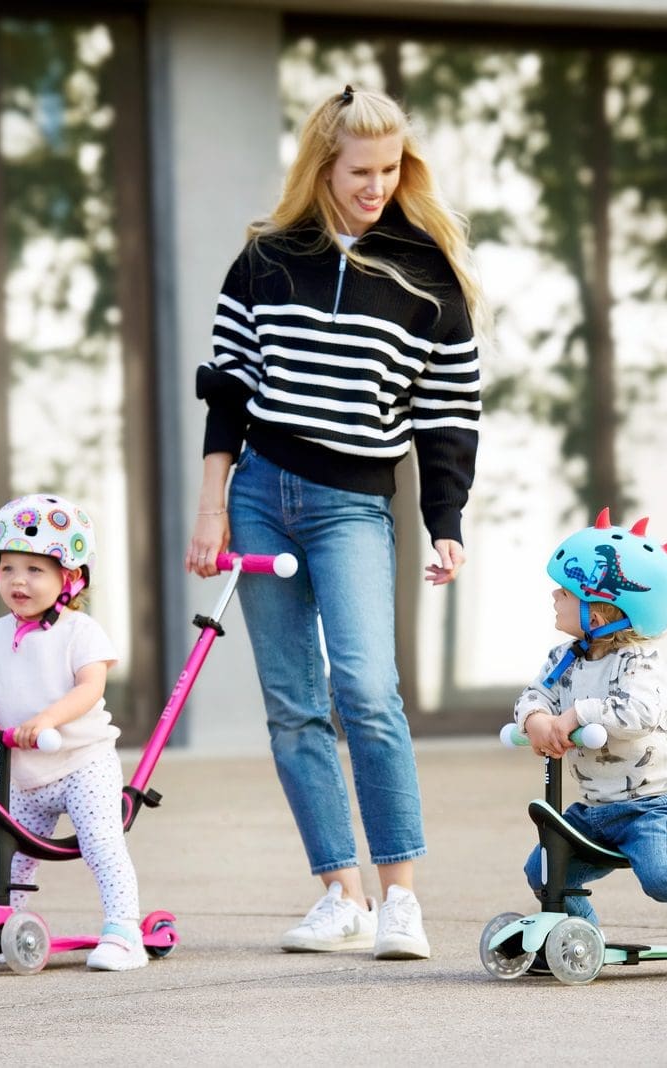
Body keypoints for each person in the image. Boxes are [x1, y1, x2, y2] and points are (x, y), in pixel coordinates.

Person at [184, 85, 487, 961]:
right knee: (291, 705)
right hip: (259, 494)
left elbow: (449, 410)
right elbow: (228, 391)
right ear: (323, 166)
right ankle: (339, 894)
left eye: (392, 169)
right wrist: (212, 511)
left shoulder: (426, 272)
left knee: (365, 691)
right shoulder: (264, 260)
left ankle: (400, 900)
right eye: (361, 170)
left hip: (354, 502)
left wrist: (445, 519)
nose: (378, 186)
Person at [515, 509, 667, 982]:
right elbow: (534, 694)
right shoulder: (562, 659)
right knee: (546, 871)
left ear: (602, 609)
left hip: (660, 804)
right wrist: (536, 718)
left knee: (660, 872)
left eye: (565, 591)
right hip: (599, 807)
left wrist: (574, 716)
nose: (554, 595)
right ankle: (577, 943)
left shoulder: (641, 664)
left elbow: (637, 712)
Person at [0, 493, 146, 972]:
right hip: (27, 772)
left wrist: (47, 719)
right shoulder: (0, 633)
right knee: (11, 853)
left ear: (70, 577)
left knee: (102, 843)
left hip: (83, 763)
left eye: (35, 570)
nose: (18, 580)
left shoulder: (80, 631)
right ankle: (3, 928)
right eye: (8, 569)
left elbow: (89, 687)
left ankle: (125, 930)